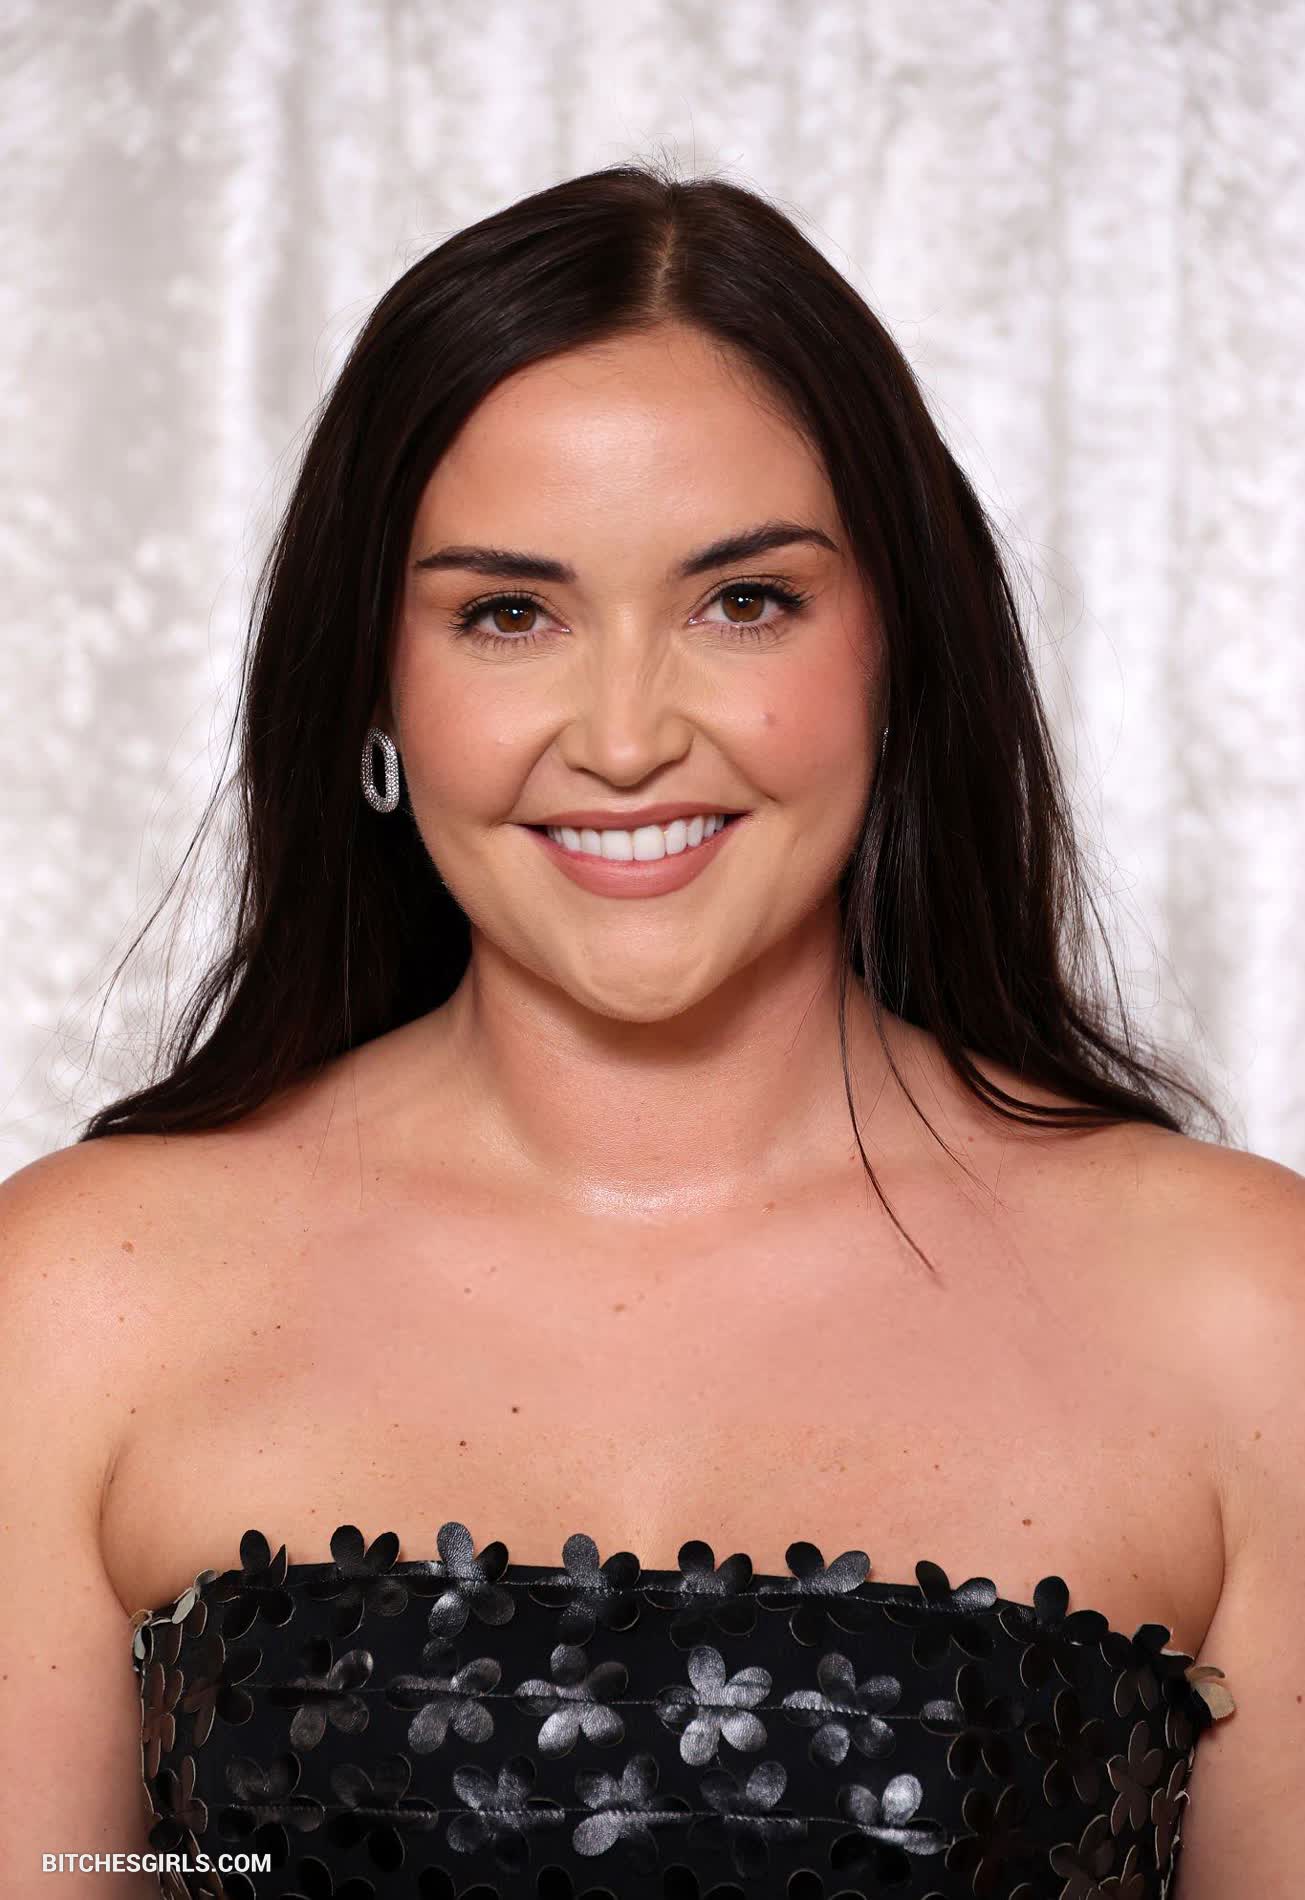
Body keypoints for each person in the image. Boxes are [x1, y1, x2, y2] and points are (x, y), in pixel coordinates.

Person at [0, 161, 1299, 1900]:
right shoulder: (81, 1304)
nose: (623, 738)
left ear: (899, 650)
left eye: (741, 601)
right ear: (375, 685)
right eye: (507, 614)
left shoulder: (1243, 1315)